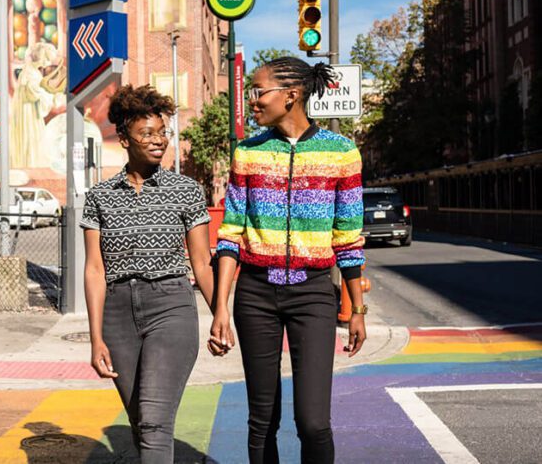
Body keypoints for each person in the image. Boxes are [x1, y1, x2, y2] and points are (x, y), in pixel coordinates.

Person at [211, 57, 367, 464]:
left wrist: (357, 311)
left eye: (259, 91)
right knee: (262, 418)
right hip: (255, 292)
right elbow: (230, 233)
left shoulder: (341, 152)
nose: (253, 100)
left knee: (313, 421)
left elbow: (348, 239)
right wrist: (220, 308)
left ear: (292, 95)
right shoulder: (247, 153)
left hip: (314, 293)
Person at [81, 85, 217, 463]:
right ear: (124, 139)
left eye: (163, 132)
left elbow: (202, 262)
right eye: (148, 134)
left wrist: (221, 313)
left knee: (156, 423)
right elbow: (94, 269)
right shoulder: (100, 196)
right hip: (117, 314)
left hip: (171, 306)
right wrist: (95, 338)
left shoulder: (186, 190)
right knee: (142, 423)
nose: (159, 141)